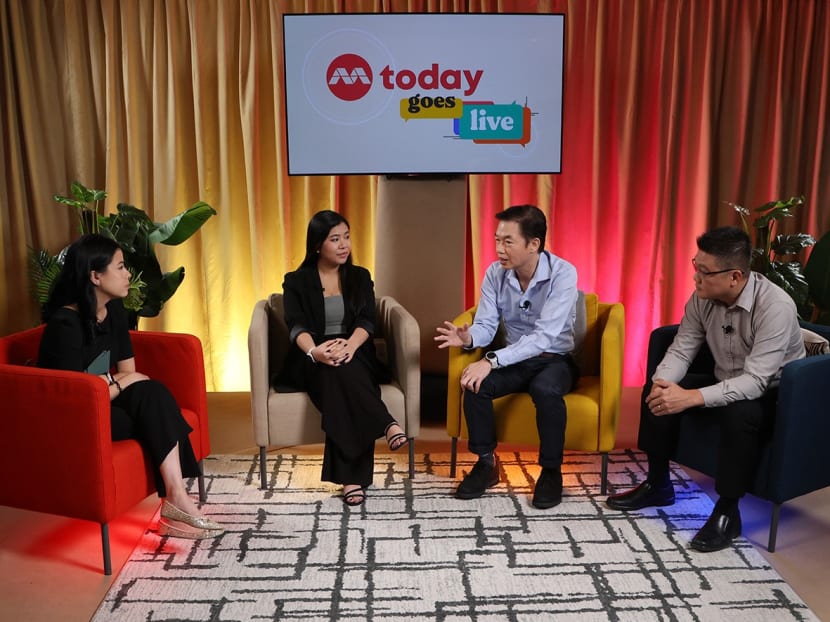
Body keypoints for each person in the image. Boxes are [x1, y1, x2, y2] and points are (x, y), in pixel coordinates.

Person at [606, 226, 805, 552]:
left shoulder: (775, 307)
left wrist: (691, 397)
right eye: (695, 266)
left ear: (735, 276)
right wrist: (664, 385)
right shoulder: (702, 298)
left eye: (704, 272)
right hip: (723, 378)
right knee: (657, 388)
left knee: (740, 412)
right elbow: (682, 349)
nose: (695, 278)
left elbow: (755, 381)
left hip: (774, 394)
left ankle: (727, 512)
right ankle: (658, 484)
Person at [37, 234, 223, 539]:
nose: (128, 275)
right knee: (152, 403)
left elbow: (130, 373)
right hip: (74, 419)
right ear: (95, 276)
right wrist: (115, 383)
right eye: (121, 267)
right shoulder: (65, 325)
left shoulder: (116, 312)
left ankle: (176, 499)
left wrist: (109, 383)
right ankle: (176, 502)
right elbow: (78, 400)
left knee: (154, 394)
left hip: (103, 403)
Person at [435, 204, 579, 509]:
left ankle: (551, 472)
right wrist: (469, 337)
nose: (499, 249)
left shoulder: (563, 274)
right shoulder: (495, 273)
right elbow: (486, 325)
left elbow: (544, 337)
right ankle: (486, 465)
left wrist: (490, 361)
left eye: (508, 241)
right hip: (515, 360)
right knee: (474, 383)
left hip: (554, 359)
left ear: (534, 244)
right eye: (497, 240)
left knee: (545, 389)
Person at [279, 210, 408, 507]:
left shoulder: (360, 277)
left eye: (346, 237)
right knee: (334, 370)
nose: (343, 245)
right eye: (334, 239)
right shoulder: (296, 281)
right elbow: (295, 324)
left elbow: (367, 320)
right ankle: (386, 423)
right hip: (310, 355)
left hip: (356, 348)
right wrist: (316, 352)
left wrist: (349, 346)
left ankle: (351, 480)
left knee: (344, 371)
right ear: (317, 245)